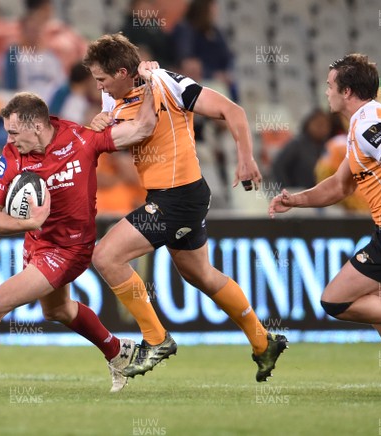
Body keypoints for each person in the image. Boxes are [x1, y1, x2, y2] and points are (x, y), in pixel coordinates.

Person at [0, 66, 158, 393]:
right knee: (58, 309)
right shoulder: (11, 156)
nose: (8, 140)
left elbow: (143, 127)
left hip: (71, 248)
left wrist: (152, 83)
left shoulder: (81, 140)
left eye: (13, 133)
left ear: (37, 126)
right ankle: (117, 352)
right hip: (37, 240)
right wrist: (29, 223)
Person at [84, 34, 288, 382]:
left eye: (101, 78)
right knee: (200, 275)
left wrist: (245, 159)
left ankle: (156, 338)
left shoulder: (168, 83)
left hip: (178, 197)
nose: (98, 86)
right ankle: (262, 341)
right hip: (172, 195)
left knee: (105, 255)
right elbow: (118, 128)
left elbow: (232, 110)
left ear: (121, 72)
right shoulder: (111, 96)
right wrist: (99, 123)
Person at [269, 54, 381, 397]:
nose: (326, 91)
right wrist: (296, 201)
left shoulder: (368, 126)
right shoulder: (363, 124)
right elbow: (339, 186)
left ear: (347, 91)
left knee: (335, 301)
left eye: (330, 85)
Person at [272, 108, 332, 189]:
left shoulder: (328, 146)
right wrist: (288, 190)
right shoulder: (296, 145)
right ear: (308, 124)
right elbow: (278, 166)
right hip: (299, 193)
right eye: (318, 125)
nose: (322, 129)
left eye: (325, 125)